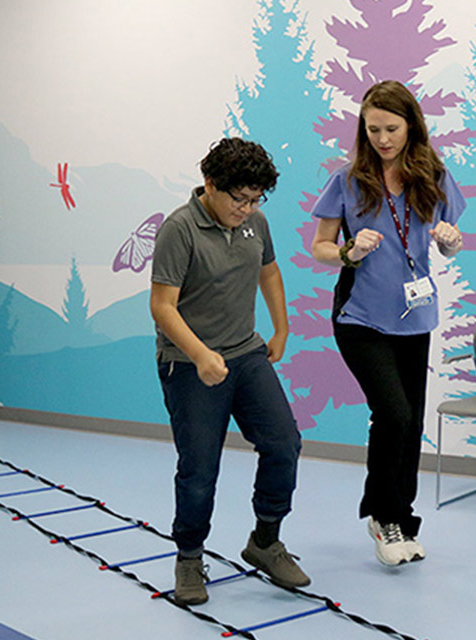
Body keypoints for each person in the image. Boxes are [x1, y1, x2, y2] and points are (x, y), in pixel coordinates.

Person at [310, 80, 466, 566]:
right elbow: (319, 247)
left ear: (411, 126)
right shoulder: (348, 179)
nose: (382, 138)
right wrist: (347, 252)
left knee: (411, 422)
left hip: (414, 316)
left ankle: (402, 516)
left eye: (391, 128)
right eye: (372, 128)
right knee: (393, 415)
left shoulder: (433, 176)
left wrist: (449, 240)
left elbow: (447, 241)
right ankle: (384, 517)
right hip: (359, 316)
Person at [150, 137, 310, 605]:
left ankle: (265, 541)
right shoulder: (179, 229)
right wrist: (200, 355)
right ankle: (189, 556)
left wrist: (280, 329)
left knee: (284, 444)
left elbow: (270, 272)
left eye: (255, 198)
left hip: (246, 354)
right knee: (200, 468)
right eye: (238, 198)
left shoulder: (255, 222)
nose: (246, 208)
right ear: (209, 185)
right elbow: (162, 306)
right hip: (189, 363)